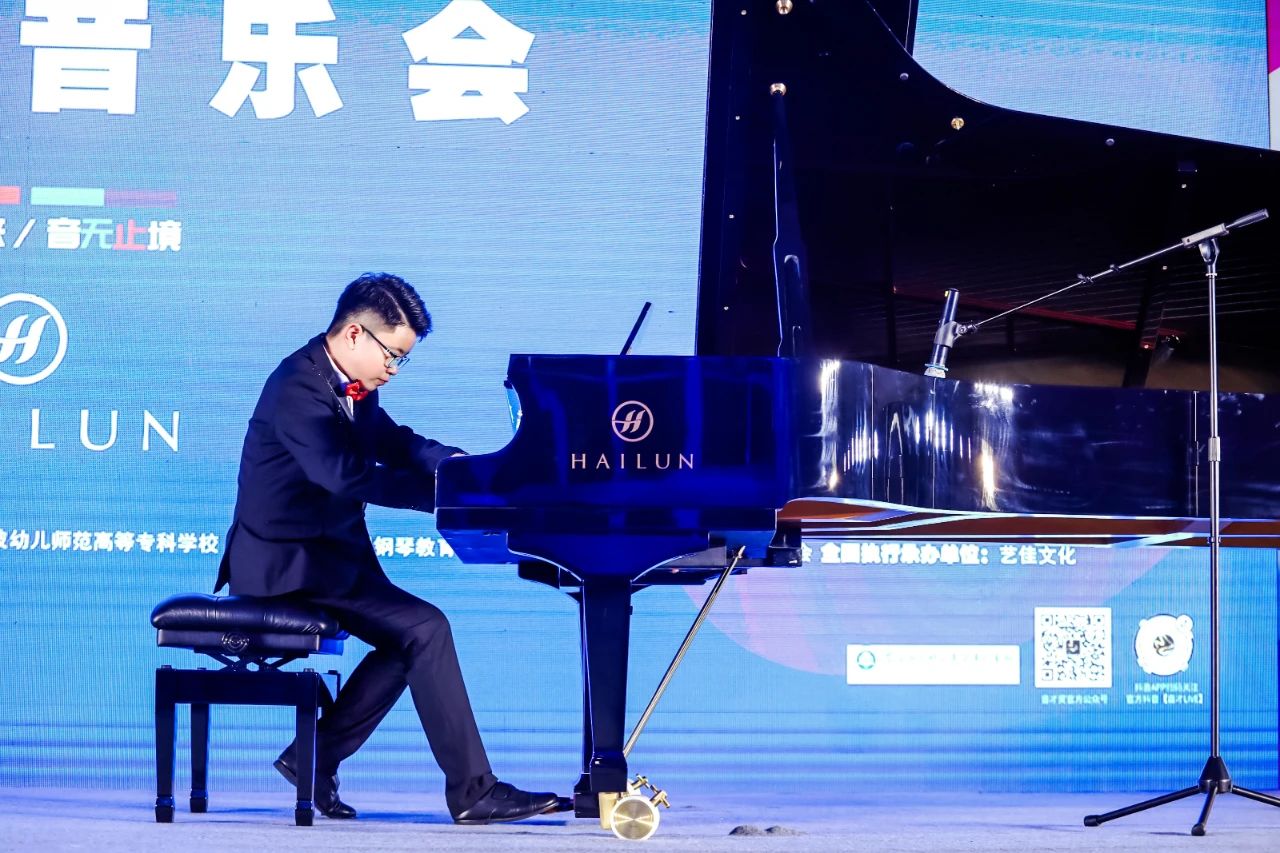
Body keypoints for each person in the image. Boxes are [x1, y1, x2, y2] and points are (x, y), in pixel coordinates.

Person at [214, 272, 559, 824]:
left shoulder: (349, 381)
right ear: (355, 333)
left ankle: (313, 759)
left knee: (414, 639)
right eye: (393, 355)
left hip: (328, 559)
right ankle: (474, 792)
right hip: (285, 565)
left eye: (403, 360)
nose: (394, 370)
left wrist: (462, 468)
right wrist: (443, 497)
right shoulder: (296, 386)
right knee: (425, 629)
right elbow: (345, 475)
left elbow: (395, 442)